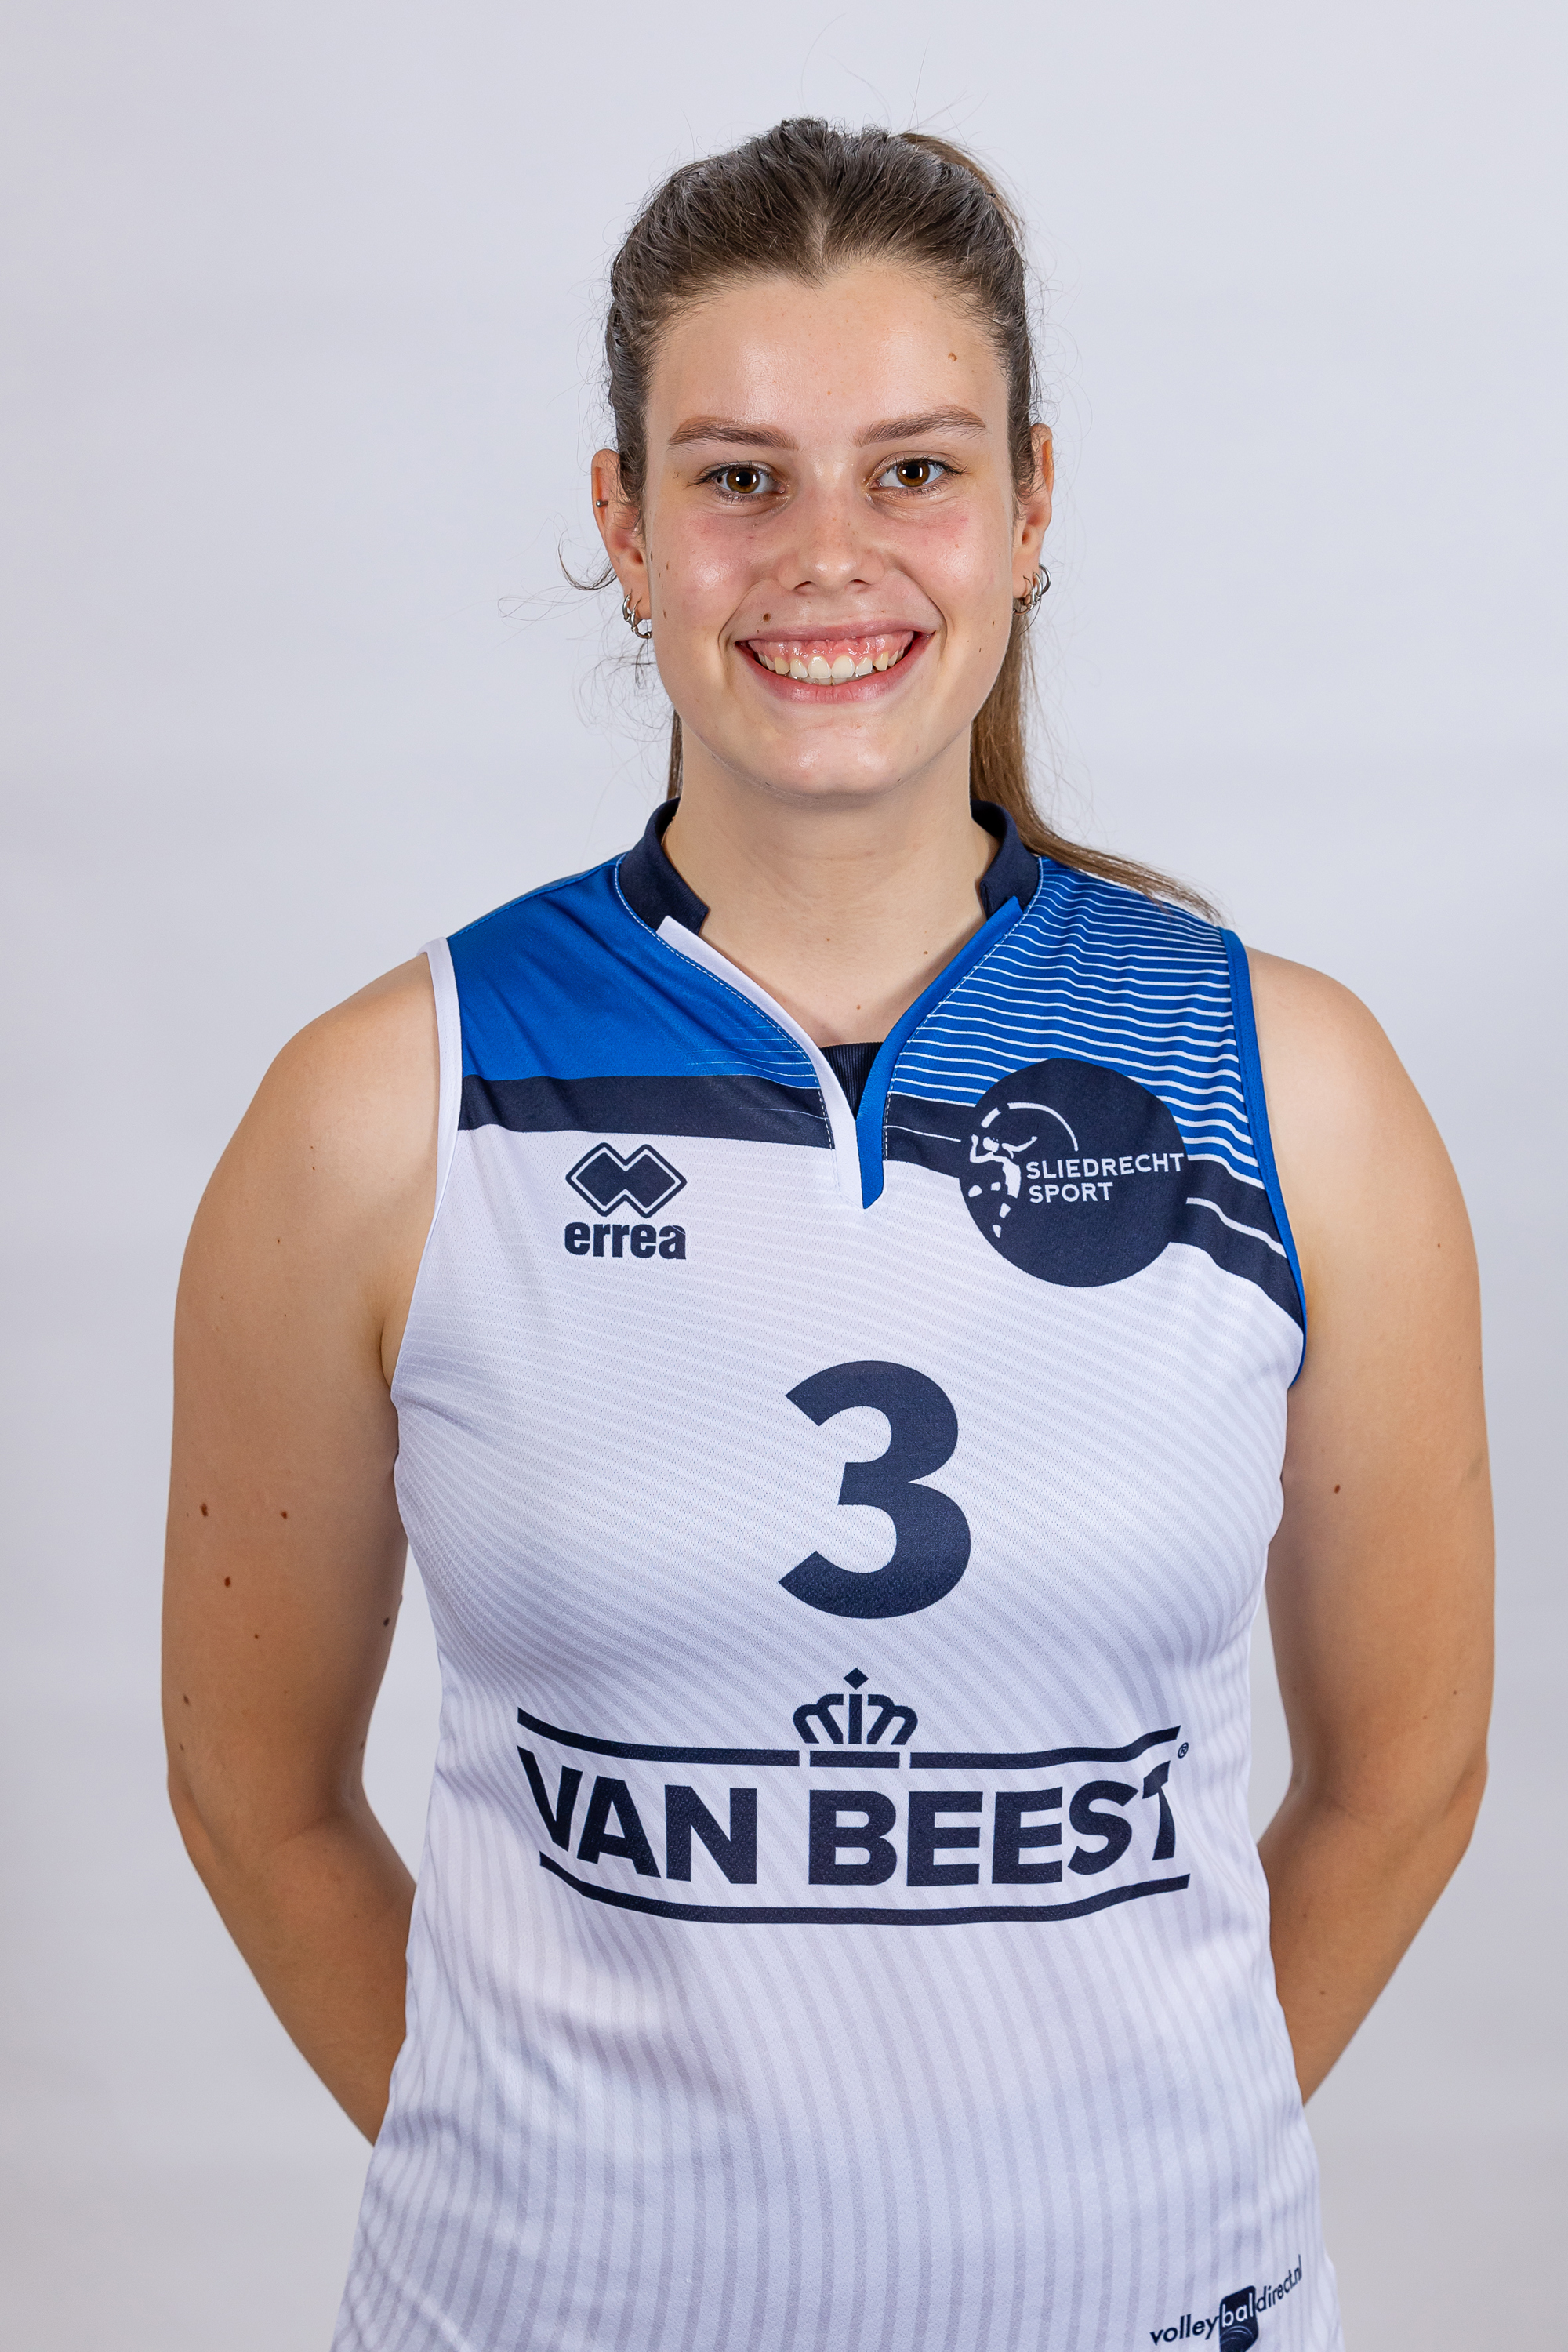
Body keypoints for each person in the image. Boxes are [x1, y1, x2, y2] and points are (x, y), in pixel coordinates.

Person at [162, 120, 1492, 2351]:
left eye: (916, 469)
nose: (828, 557)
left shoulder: (1296, 1089)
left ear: (1031, 507)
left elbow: (1407, 1778)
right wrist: (552, 2210)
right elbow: (252, 1794)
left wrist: (1131, 2192)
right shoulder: (383, 1110)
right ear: (626, 525)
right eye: (740, 478)